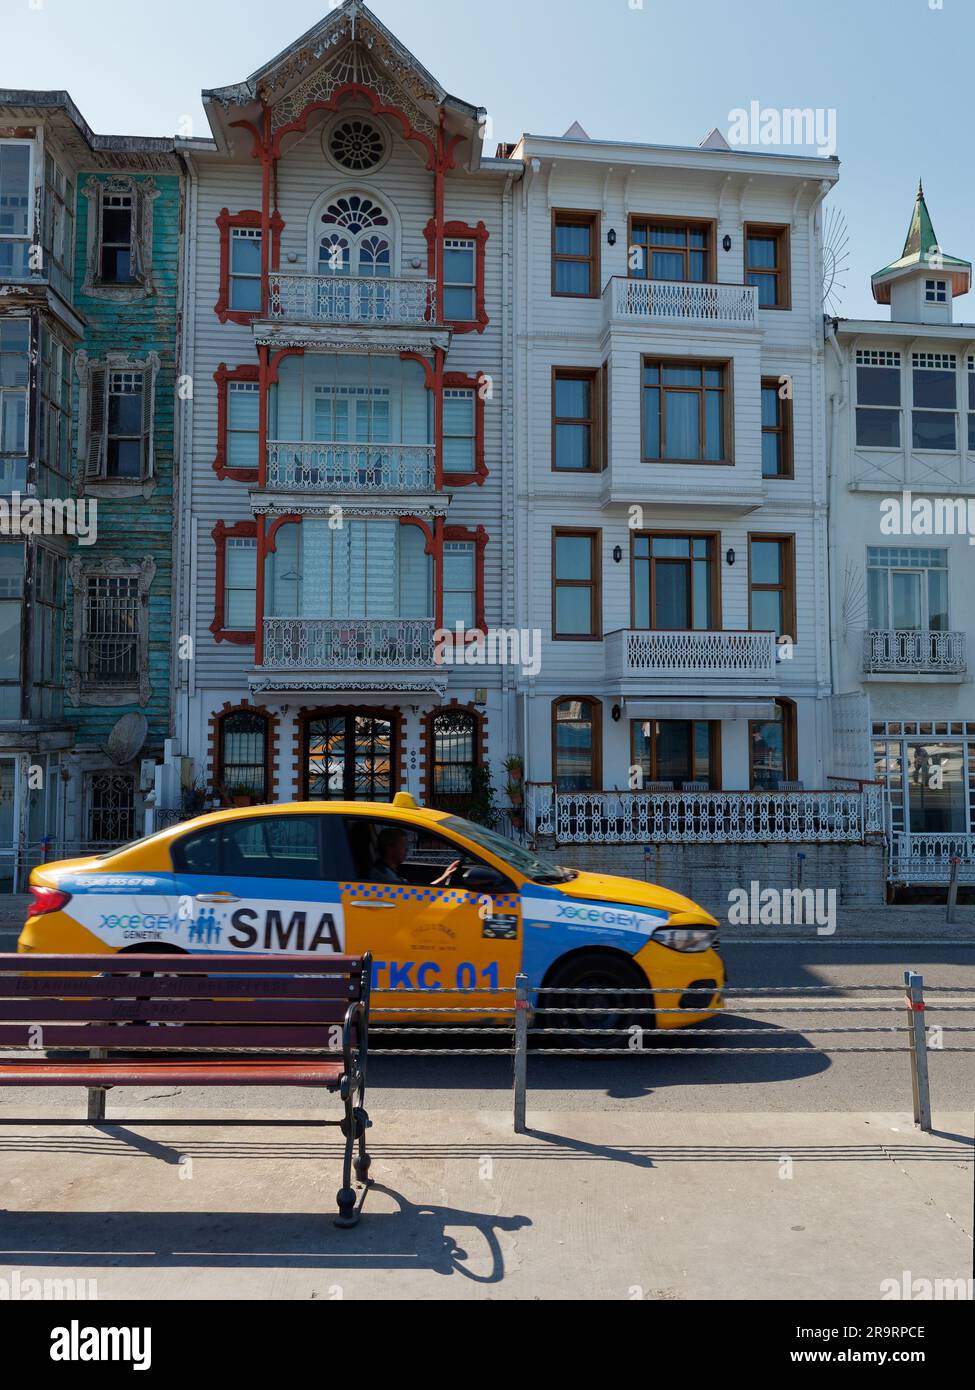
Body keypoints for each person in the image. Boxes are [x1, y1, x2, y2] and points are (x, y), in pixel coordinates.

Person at [370, 827, 460, 887]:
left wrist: (445, 876)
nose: (407, 849)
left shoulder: (385, 870)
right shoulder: (386, 877)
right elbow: (419, 895)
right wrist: (445, 876)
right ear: (390, 847)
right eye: (403, 845)